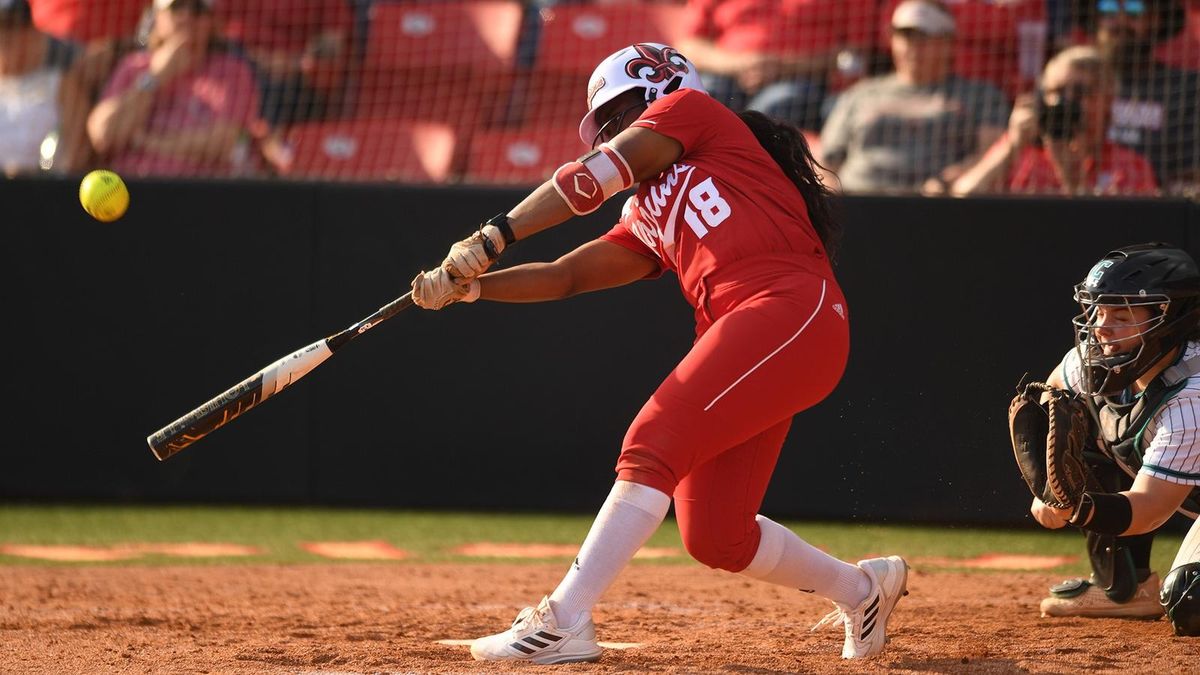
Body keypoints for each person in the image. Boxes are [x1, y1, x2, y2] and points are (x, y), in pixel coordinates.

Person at [407, 42, 910, 664]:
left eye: (619, 116)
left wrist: (493, 236)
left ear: (654, 91)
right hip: (757, 335)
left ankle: (563, 620)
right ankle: (862, 589)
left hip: (788, 309)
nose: (614, 134)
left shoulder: (691, 110)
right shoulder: (646, 208)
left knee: (652, 440)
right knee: (715, 535)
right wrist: (473, 288)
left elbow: (588, 181)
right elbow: (567, 275)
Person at [1025, 243, 1200, 636]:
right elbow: (1050, 398)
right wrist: (1049, 490)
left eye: (1121, 315)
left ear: (1168, 319)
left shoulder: (1192, 397)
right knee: (1084, 423)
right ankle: (1127, 587)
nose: (1102, 326)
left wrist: (1076, 509)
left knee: (1193, 602)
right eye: (1100, 310)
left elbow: (1147, 510)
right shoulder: (1100, 361)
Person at [819, 0, 1009, 194]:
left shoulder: (982, 96)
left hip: (936, 206)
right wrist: (833, 204)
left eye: (922, 37)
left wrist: (952, 182)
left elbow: (990, 155)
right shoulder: (859, 94)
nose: (911, 46)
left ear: (948, 42)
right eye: (904, 36)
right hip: (857, 202)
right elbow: (826, 163)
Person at [86, 0, 262, 178]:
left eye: (197, 9)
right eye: (177, 8)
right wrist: (155, 77)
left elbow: (225, 144)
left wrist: (149, 142)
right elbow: (103, 134)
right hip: (129, 190)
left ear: (211, 21)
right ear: (157, 17)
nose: (187, 17)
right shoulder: (133, 66)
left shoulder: (232, 72)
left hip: (201, 193)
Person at [951, 46, 1158, 196]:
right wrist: (1012, 146)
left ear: (1107, 102)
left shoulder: (1129, 165)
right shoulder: (1021, 152)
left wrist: (1073, 182)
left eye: (1080, 92)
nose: (1065, 101)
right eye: (1056, 92)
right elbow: (962, 199)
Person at [675, 0, 877, 132]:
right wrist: (740, 65)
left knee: (769, 110)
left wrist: (784, 67)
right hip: (727, 73)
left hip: (805, 80)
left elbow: (855, 53)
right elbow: (688, 46)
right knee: (696, 98)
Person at [1086, 0, 1200, 193]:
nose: (1121, 21)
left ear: (1156, 20)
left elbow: (1192, 176)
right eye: (1108, 9)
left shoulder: (1188, 89)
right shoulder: (1071, 84)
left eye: (1135, 10)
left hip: (1160, 210)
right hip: (1079, 202)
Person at [0, 0, 91, 176]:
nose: (6, 38)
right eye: (2, 29)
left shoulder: (61, 84)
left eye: (14, 28)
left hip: (43, 192)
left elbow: (77, 154)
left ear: (33, 33)